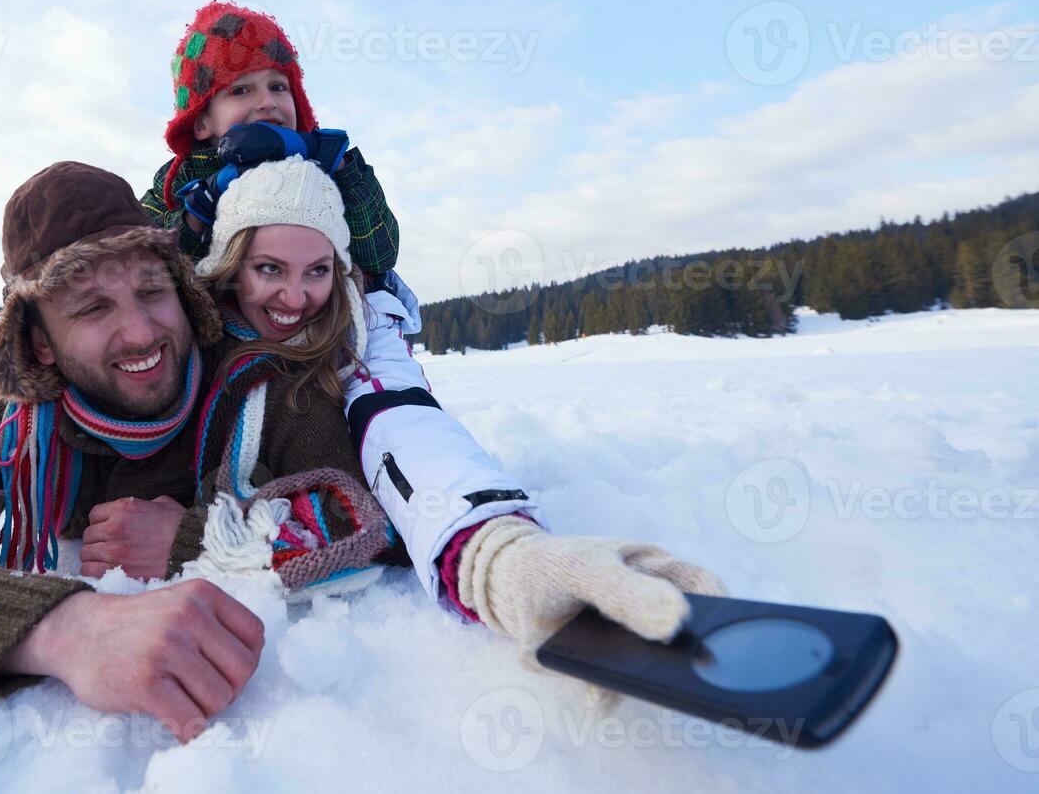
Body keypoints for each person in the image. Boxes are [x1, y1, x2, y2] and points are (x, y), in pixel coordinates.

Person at [0, 161, 405, 743]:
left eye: (153, 291)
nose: (141, 331)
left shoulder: (264, 384)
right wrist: (67, 628)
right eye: (93, 306)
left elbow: (358, 516)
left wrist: (197, 540)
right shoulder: (14, 415)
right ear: (40, 343)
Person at [115, 154, 728, 657]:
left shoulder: (322, 377)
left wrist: (497, 559)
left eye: (318, 270)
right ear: (230, 265)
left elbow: (386, 476)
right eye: (269, 268)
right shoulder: (177, 337)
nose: (295, 297)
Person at [137, 0, 400, 282]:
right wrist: (199, 209)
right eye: (241, 90)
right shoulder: (178, 181)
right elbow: (144, 264)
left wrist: (337, 164)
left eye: (277, 87)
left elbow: (380, 254)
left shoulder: (322, 169)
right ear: (201, 122)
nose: (267, 102)